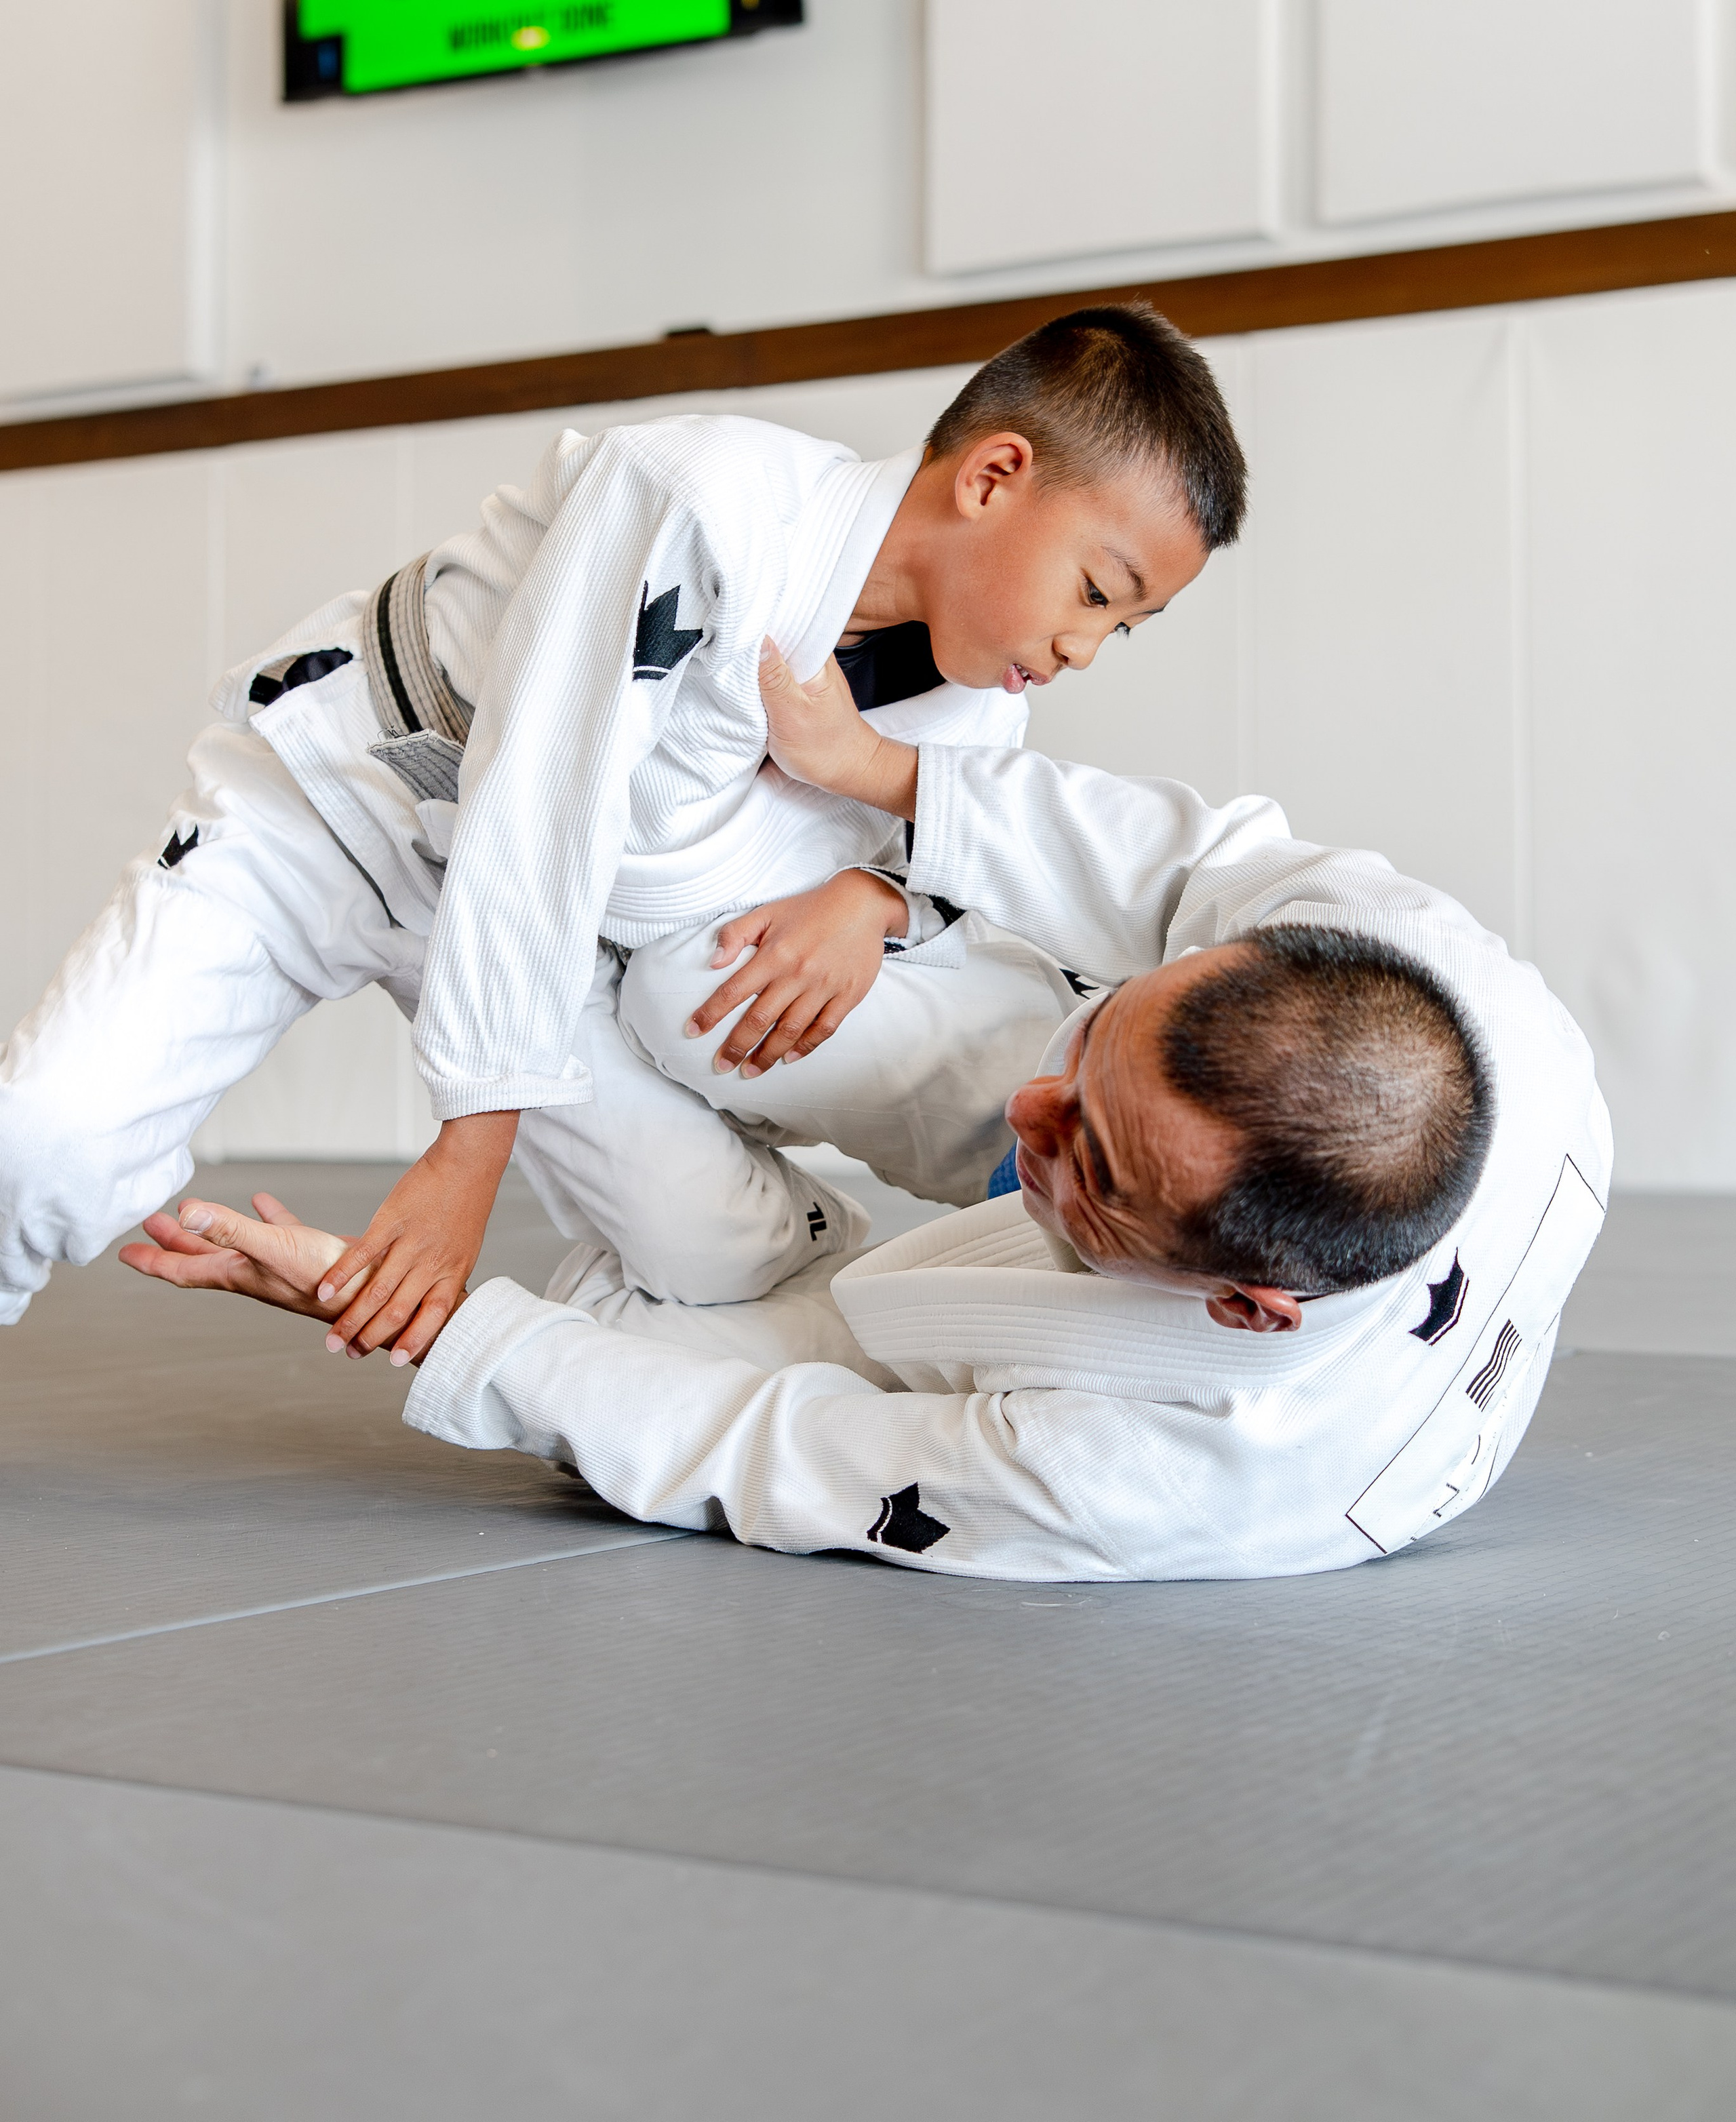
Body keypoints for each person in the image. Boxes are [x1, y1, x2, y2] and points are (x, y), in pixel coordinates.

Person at [121, 661, 1611, 1581]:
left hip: (1135, 1372)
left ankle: (439, 927)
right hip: (1168, 1206)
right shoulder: (1425, 968)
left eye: (1088, 1160)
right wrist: (878, 797)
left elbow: (761, 1446)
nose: (1031, 1110)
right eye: (1098, 1046)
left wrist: (420, 1320)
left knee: (618, 1367)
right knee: (700, 999)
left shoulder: (1148, 1476)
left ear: (1241, 1303)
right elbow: (1167, 862)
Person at [0, 304, 1244, 1351]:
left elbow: (953, 858)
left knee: (715, 1250)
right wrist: (467, 1155)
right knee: (46, 1145)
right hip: (341, 805)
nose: (1087, 646)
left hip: (571, 953)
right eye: (1096, 591)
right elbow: (539, 798)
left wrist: (875, 899)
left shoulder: (971, 708)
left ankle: (689, 1338)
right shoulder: (706, 498)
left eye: (1124, 628)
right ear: (993, 476)